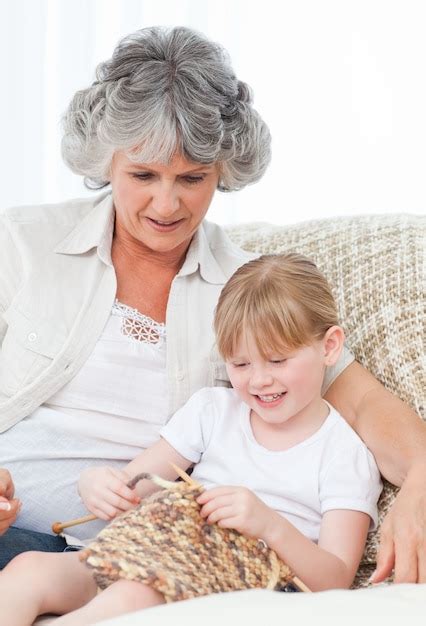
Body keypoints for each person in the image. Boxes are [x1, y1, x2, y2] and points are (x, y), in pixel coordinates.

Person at [0, 26, 424, 583]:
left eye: (192, 178)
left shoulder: (247, 289)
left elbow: (367, 408)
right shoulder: (21, 245)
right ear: (106, 163)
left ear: (225, 171)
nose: (167, 203)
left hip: (143, 556)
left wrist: (419, 486)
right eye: (143, 175)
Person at [0, 253, 383, 625]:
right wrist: (97, 485)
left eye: (278, 360)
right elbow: (136, 487)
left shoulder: (343, 454)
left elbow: (335, 579)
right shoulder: (213, 411)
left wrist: (268, 525)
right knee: (29, 568)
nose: (259, 380)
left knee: (133, 596)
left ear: (329, 347)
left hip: (244, 578)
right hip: (157, 548)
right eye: (241, 364)